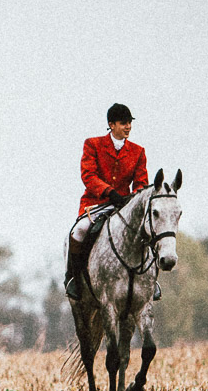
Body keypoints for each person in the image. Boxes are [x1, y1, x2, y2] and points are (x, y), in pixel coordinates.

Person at [65, 102, 151, 301]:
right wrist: (109, 192)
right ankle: (74, 279)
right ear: (111, 125)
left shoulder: (138, 152)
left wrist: (133, 199)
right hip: (95, 204)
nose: (128, 126)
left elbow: (141, 182)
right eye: (123, 123)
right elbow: (88, 175)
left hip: (124, 205)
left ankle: (150, 280)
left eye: (130, 122)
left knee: (147, 230)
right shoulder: (93, 144)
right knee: (78, 231)